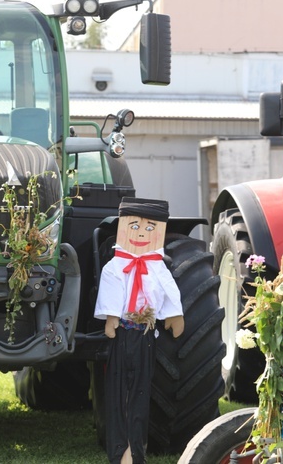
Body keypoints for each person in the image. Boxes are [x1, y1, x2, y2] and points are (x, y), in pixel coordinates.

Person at [94, 197, 184, 464]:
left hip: (146, 335)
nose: (142, 234)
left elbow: (170, 292)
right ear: (123, 227)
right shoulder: (115, 266)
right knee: (120, 391)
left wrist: (174, 316)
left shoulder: (158, 266)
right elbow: (110, 292)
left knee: (140, 392)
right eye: (134, 226)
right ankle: (120, 452)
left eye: (149, 228)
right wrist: (111, 320)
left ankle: (136, 452)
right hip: (122, 334)